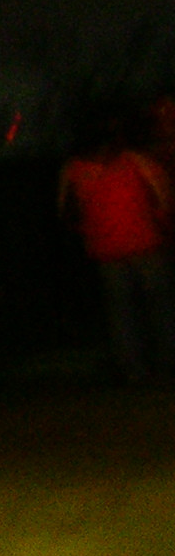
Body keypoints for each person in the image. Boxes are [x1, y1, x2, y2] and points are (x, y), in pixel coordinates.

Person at [62, 117, 175, 383]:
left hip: (106, 250)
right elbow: (165, 197)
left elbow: (66, 212)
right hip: (146, 245)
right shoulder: (136, 162)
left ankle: (133, 368)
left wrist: (91, 232)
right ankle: (168, 365)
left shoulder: (73, 170)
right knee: (161, 307)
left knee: (122, 312)